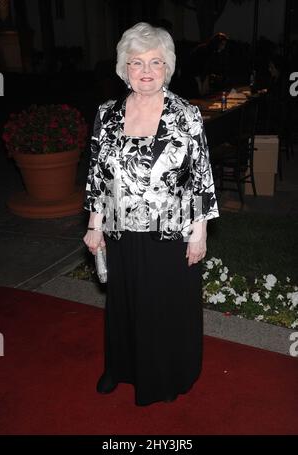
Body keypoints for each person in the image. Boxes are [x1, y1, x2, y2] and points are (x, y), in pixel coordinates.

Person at [83, 22, 219, 407]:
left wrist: (200, 232)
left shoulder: (186, 115)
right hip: (120, 229)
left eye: (155, 62)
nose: (145, 71)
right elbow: (97, 172)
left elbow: (201, 179)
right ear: (124, 68)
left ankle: (166, 375)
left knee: (163, 306)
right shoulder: (106, 114)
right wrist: (95, 226)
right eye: (136, 62)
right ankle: (120, 368)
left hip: (170, 232)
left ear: (167, 67)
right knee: (123, 303)